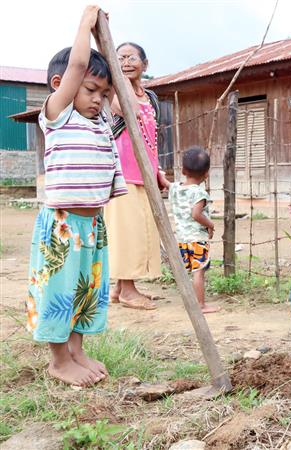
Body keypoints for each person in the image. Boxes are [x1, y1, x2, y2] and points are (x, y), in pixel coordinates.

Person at [26, 6, 126, 387]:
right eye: (89, 90)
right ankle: (58, 360)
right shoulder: (58, 113)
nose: (98, 99)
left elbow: (120, 95)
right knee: (58, 290)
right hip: (63, 224)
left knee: (87, 289)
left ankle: (76, 350)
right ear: (60, 85)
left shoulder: (100, 121)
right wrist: (87, 22)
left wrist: (108, 49)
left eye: (102, 93)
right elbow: (78, 63)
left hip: (93, 223)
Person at [105, 41, 161, 310]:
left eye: (131, 58)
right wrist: (120, 76)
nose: (126, 62)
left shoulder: (152, 97)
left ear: (145, 64)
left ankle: (119, 288)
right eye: (120, 58)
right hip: (123, 170)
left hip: (145, 171)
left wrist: (158, 170)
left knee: (141, 229)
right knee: (126, 231)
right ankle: (128, 290)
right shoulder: (113, 91)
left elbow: (153, 136)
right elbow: (129, 109)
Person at [157, 147, 219, 313]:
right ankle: (200, 304)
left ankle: (189, 300)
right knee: (199, 271)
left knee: (187, 271)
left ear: (183, 170)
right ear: (206, 174)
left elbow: (165, 183)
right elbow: (196, 214)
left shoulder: (176, 188)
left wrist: (159, 173)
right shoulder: (199, 193)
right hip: (197, 238)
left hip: (182, 239)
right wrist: (210, 225)